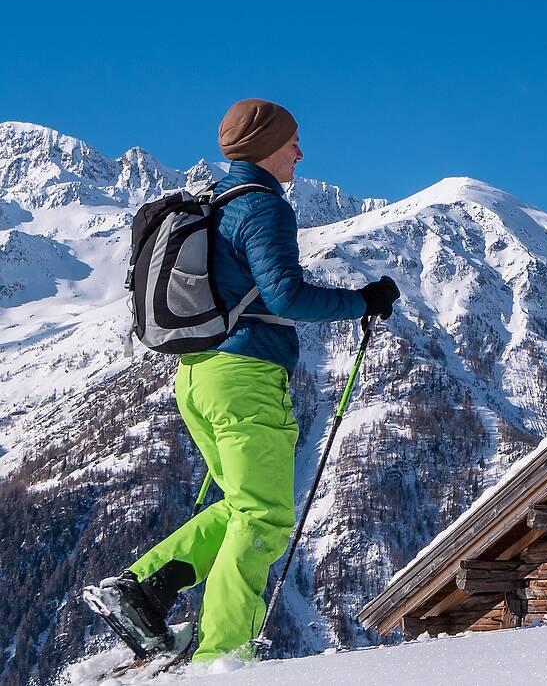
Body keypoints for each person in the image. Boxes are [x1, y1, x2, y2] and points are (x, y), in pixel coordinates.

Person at [83, 99, 401, 663]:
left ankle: (142, 590)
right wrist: (363, 302)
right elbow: (286, 295)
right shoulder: (261, 206)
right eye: (292, 142)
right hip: (247, 376)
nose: (300, 153)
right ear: (263, 146)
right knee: (263, 516)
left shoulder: (214, 202)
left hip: (198, 376)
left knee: (239, 503)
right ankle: (221, 656)